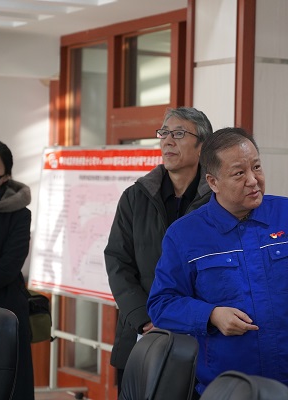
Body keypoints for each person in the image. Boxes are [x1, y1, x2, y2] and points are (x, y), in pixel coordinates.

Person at [147, 127, 288, 397]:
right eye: (239, 173)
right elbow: (161, 304)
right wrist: (210, 315)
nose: (253, 180)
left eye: (257, 167)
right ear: (213, 182)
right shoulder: (185, 234)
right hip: (228, 389)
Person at [104, 107, 213, 395]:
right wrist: (145, 318)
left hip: (201, 338)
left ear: (202, 146)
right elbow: (117, 262)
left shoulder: (217, 201)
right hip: (142, 334)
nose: (167, 141)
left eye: (179, 134)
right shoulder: (135, 197)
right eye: (164, 133)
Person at [0, 140, 35, 400]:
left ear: (5, 176)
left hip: (5, 310)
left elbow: (9, 265)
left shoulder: (19, 214)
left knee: (7, 385)